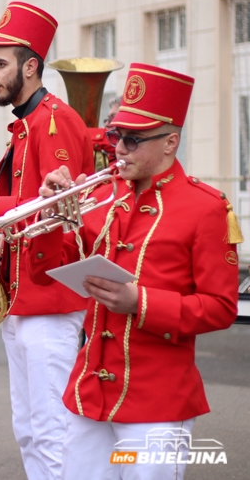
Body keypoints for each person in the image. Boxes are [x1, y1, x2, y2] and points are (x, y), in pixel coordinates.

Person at [26, 64, 240, 479]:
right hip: (89, 392)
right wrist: (51, 219)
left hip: (157, 401)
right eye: (115, 136)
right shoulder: (101, 196)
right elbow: (45, 273)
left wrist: (140, 302)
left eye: (133, 139)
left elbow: (220, 308)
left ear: (170, 143)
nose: (118, 148)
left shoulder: (207, 207)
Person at [0, 2, 95, 480]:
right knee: (29, 429)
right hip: (24, 297)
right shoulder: (23, 127)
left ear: (31, 66)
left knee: (54, 431)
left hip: (51, 298)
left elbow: (57, 209)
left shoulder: (56, 121)